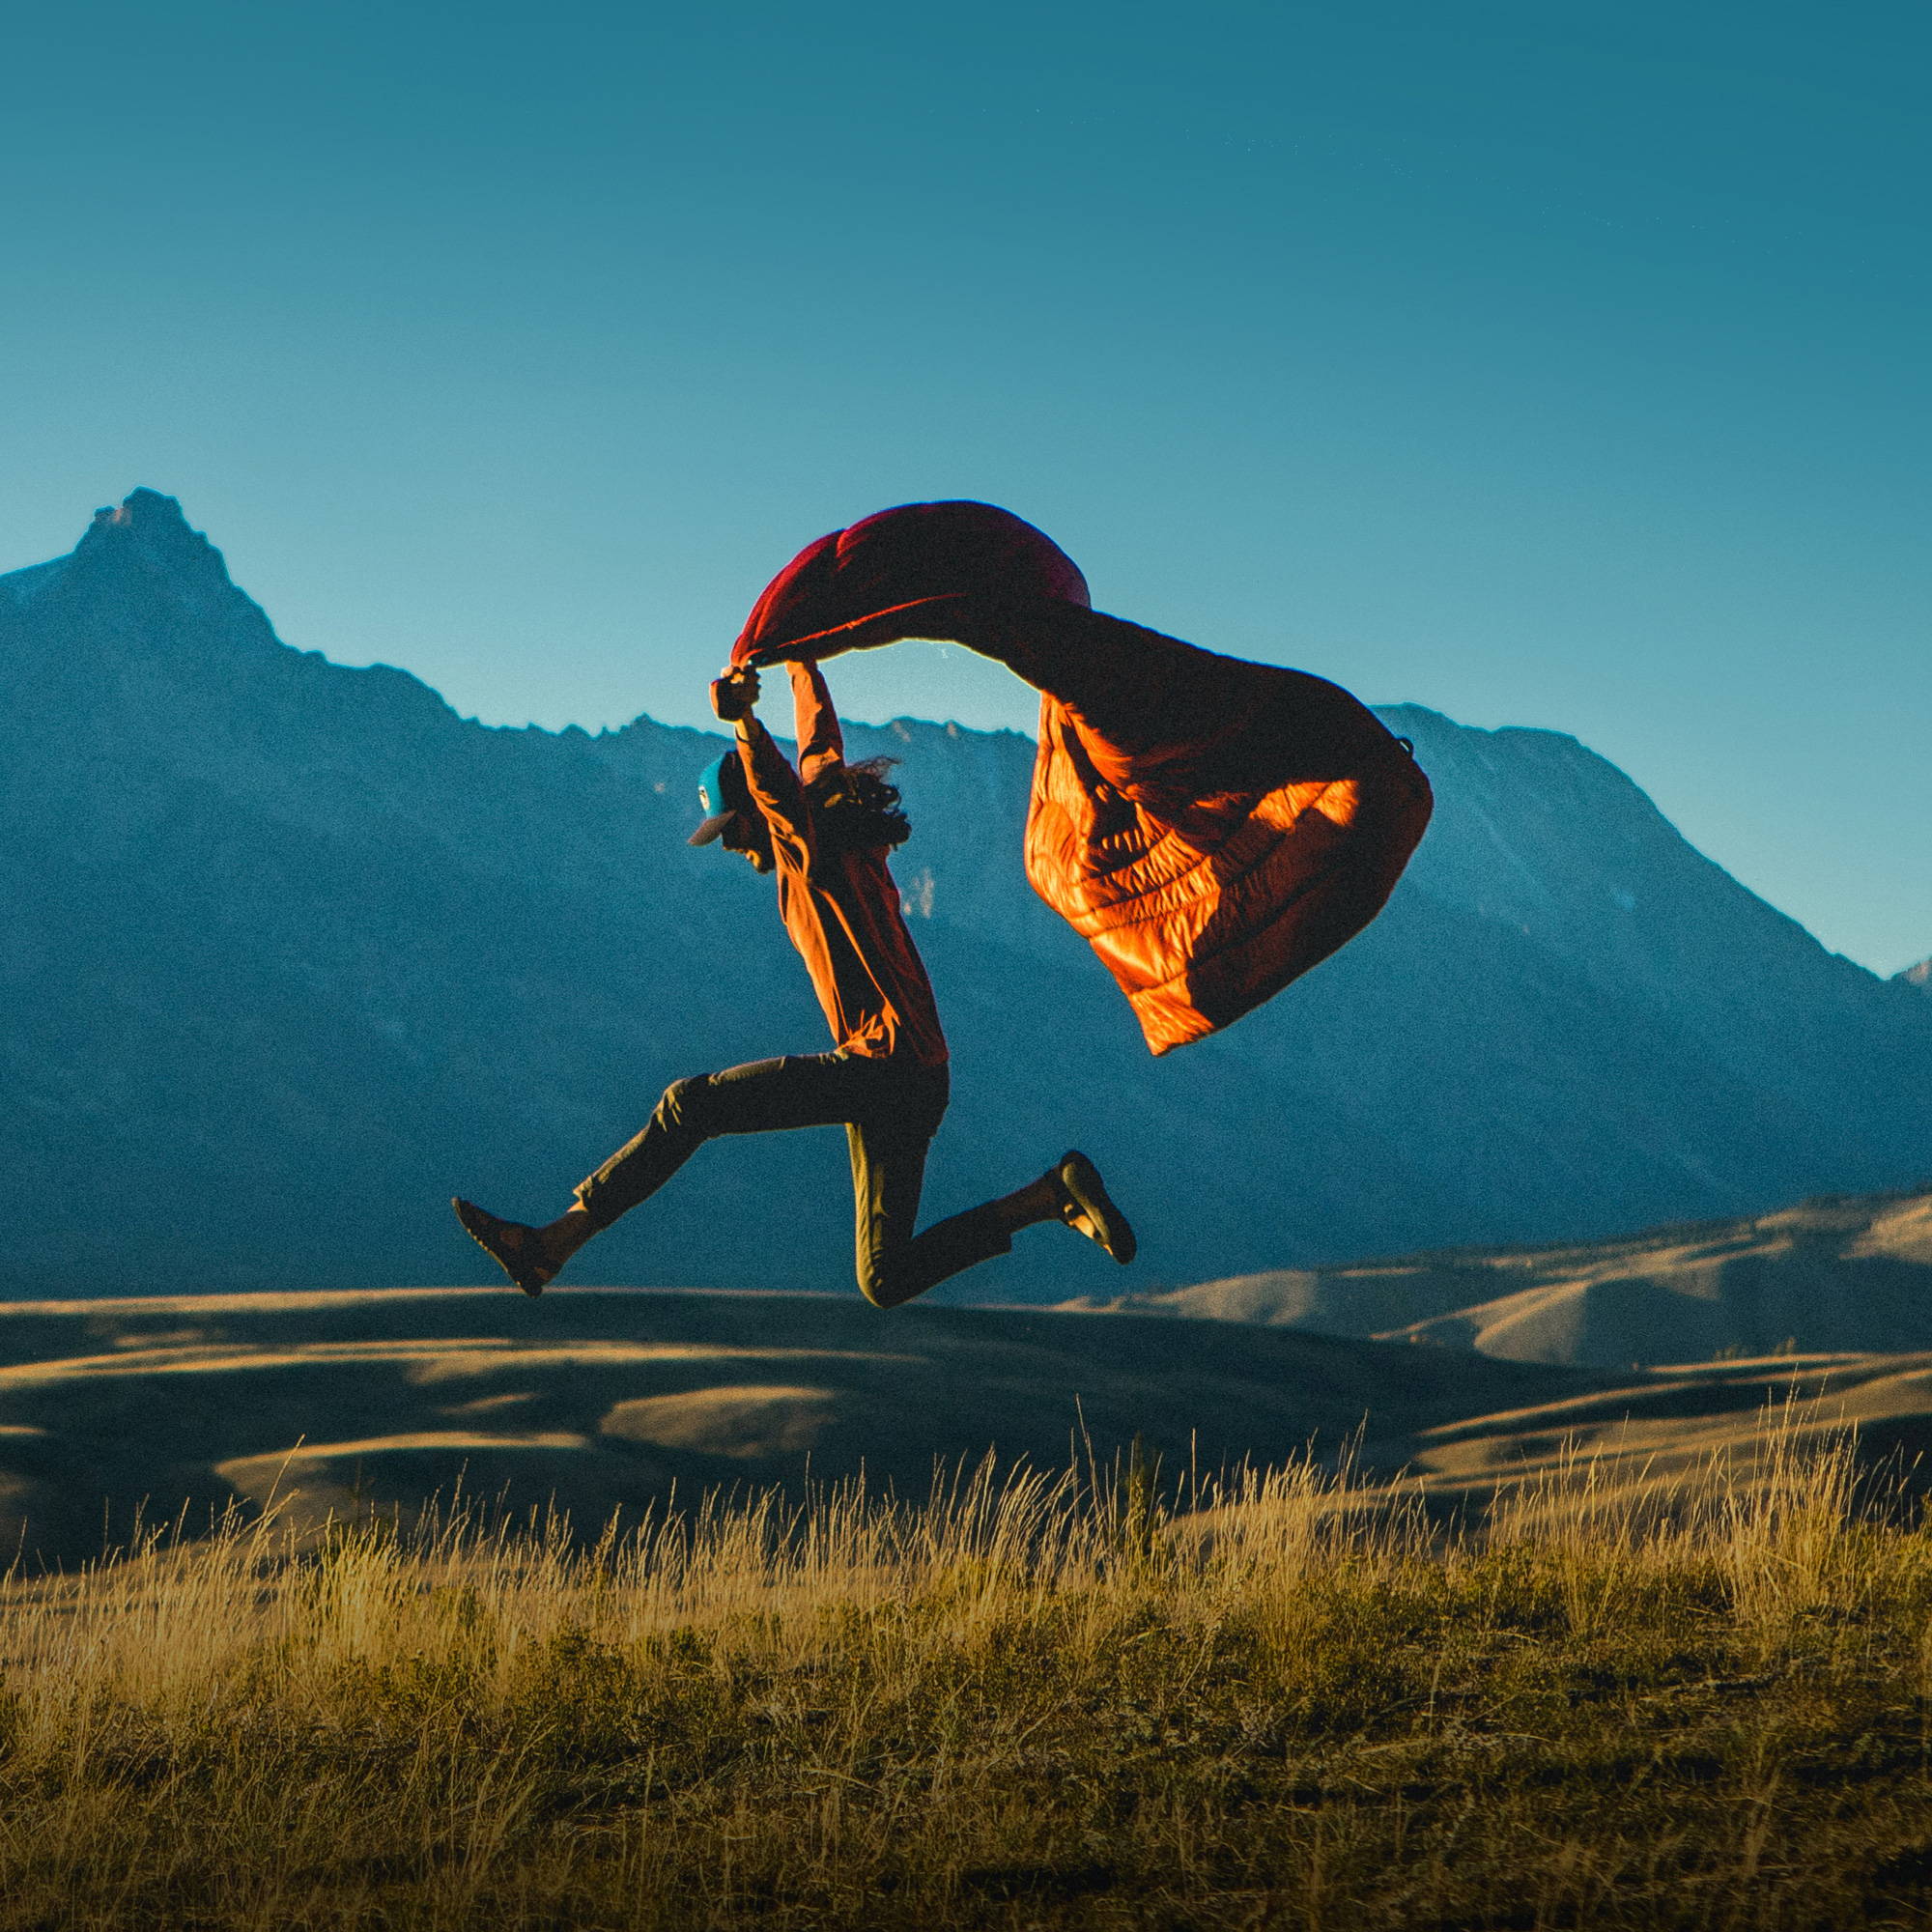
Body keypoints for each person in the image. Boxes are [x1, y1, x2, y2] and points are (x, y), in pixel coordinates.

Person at [451, 656, 1135, 1303]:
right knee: (884, 1277)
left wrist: (745, 720)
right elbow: (819, 745)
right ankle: (1049, 1196)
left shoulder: (806, 849)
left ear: (758, 811)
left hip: (885, 1063)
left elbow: (781, 783)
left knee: (688, 1106)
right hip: (917, 1077)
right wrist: (800, 662)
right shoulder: (837, 831)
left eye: (729, 826)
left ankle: (552, 1242)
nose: (727, 843)